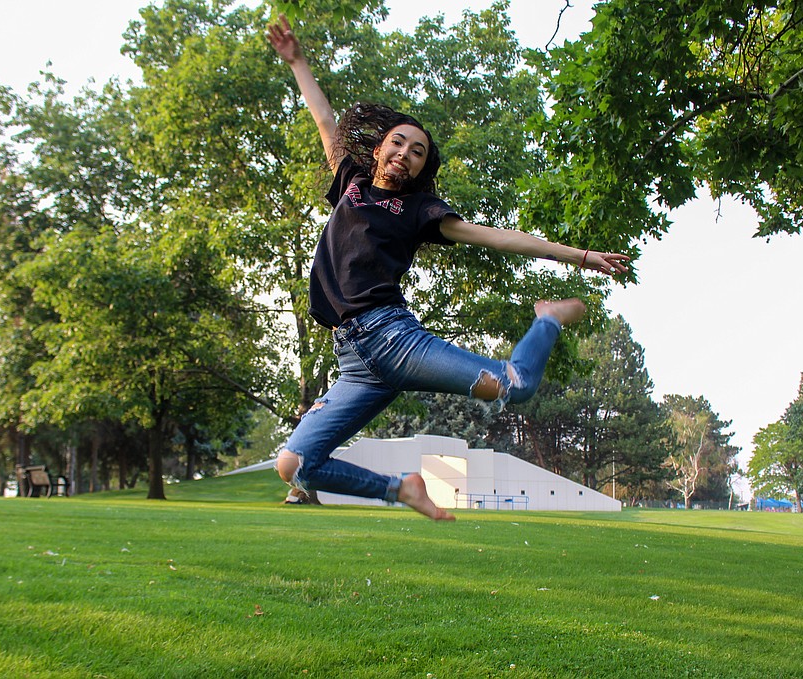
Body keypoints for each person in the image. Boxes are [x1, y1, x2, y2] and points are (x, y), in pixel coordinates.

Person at [267, 15, 631, 521]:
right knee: (296, 462)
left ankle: (547, 317)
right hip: (354, 360)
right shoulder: (349, 181)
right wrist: (297, 62)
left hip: (394, 340)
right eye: (397, 143)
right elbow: (326, 121)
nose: (405, 154)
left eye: (417, 152)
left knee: (515, 388)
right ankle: (403, 489)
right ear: (378, 149)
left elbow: (502, 238)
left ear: (421, 168)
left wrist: (581, 256)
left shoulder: (420, 212)